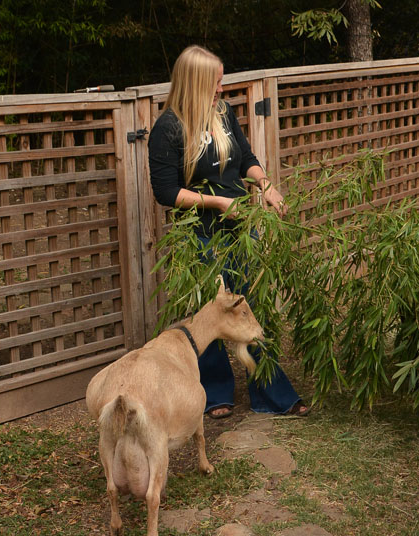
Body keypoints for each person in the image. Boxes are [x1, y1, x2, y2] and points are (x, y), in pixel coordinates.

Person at [148, 45, 309, 418]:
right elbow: (166, 192)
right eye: (216, 82)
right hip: (200, 235)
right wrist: (218, 203)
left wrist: (264, 185)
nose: (222, 88)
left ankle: (271, 392)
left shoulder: (223, 112)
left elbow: (247, 159)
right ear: (196, 82)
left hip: (241, 230)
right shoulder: (168, 128)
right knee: (209, 313)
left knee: (249, 307)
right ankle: (215, 392)